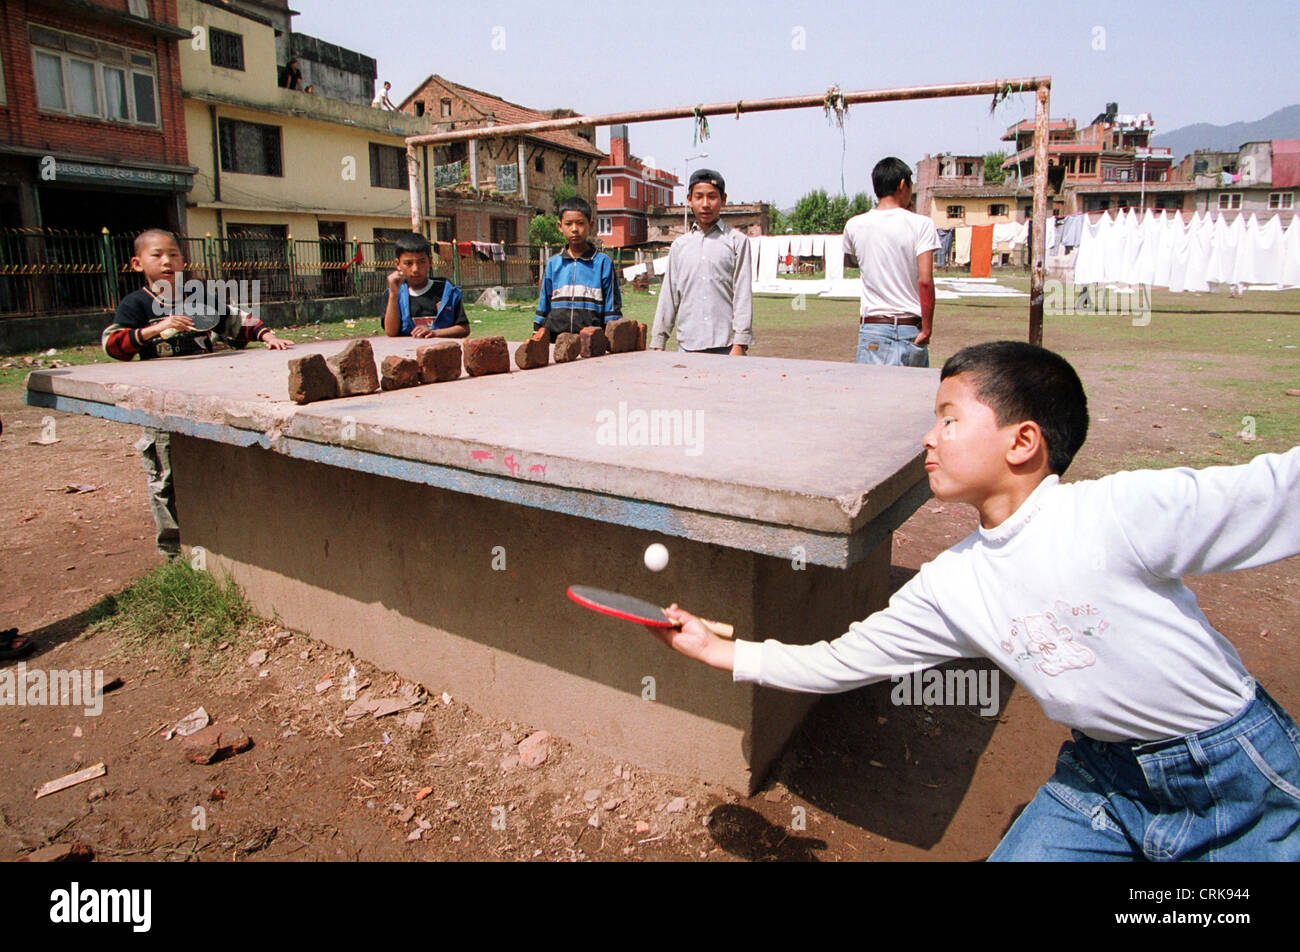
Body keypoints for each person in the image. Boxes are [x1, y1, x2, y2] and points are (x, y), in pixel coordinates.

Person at [645, 340, 1300, 861]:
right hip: (1101, 781)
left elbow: (1277, 491)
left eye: (950, 420)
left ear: (1023, 441)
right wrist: (724, 652)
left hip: (1234, 773)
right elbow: (841, 661)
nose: (929, 438)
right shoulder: (952, 584)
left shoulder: (1115, 514)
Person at [102, 229, 292, 558]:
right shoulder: (136, 304)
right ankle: (174, 551)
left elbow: (234, 321)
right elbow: (113, 345)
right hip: (161, 403)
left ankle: (222, 538)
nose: (167, 261)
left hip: (206, 400)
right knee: (166, 476)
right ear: (137, 263)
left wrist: (266, 335)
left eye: (173, 255)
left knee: (214, 464)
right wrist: (154, 329)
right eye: (157, 255)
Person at [843, 157, 939, 366]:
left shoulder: (854, 225)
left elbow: (853, 261)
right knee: (912, 397)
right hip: (910, 328)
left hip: (873, 329)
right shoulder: (922, 225)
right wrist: (927, 328)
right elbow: (925, 281)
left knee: (872, 397)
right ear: (902, 184)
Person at [650, 169, 753, 355]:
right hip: (688, 347)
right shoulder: (680, 246)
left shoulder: (737, 242)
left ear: (723, 199)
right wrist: (658, 343)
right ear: (689, 199)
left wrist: (740, 344)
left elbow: (742, 295)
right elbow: (669, 296)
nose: (705, 204)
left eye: (712, 197)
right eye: (699, 197)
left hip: (727, 346)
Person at [533, 196, 621, 342]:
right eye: (568, 224)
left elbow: (612, 305)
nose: (574, 229)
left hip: (592, 341)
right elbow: (544, 302)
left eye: (580, 223)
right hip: (556, 340)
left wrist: (610, 338)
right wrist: (537, 333)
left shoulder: (602, 263)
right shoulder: (553, 264)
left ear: (591, 225)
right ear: (560, 226)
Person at [382, 232, 469, 339]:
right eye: (408, 263)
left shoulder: (446, 290)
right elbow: (391, 333)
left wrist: (435, 333)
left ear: (430, 261)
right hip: (406, 353)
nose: (416, 269)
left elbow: (464, 329)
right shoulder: (394, 294)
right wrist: (393, 295)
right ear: (397, 264)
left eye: (422, 262)